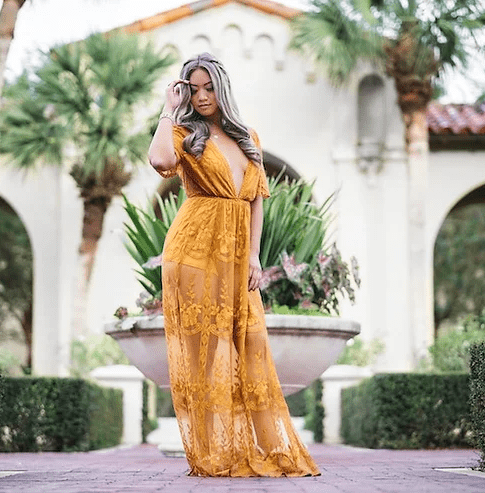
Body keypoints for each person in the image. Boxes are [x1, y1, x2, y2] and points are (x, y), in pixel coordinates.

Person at [147, 53, 320, 478]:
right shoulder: (184, 132)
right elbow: (161, 162)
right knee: (209, 354)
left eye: (208, 87)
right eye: (194, 88)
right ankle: (214, 451)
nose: (202, 96)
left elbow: (256, 202)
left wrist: (254, 256)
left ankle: (252, 446)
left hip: (237, 251)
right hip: (193, 249)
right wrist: (167, 113)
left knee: (249, 346)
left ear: (221, 88)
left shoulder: (249, 138)